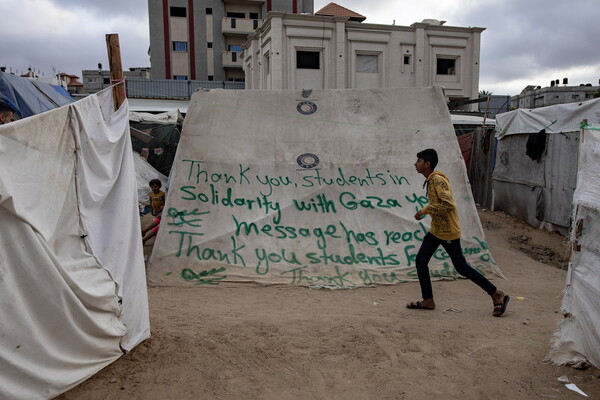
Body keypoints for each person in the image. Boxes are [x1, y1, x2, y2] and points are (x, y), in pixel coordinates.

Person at [407, 148, 509, 317]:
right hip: (437, 230)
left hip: (447, 232)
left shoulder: (437, 180)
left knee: (461, 267)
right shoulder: (431, 180)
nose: (415, 164)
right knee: (421, 261)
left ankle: (496, 293)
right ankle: (428, 300)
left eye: (418, 161)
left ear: (427, 164)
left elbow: (449, 205)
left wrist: (423, 210)